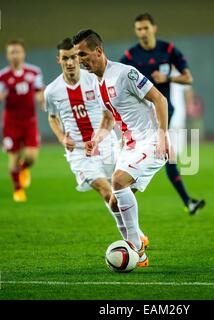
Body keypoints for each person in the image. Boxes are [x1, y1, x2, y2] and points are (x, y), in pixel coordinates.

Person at [73, 29, 171, 267]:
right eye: (77, 56)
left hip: (150, 140)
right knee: (114, 202)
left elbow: (160, 99)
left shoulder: (125, 73)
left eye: (83, 54)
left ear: (98, 51)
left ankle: (135, 247)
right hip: (129, 146)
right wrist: (96, 139)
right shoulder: (97, 83)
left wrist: (162, 135)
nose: (80, 60)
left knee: (117, 181)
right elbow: (108, 118)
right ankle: (139, 252)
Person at [45, 37, 149, 246]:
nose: (71, 62)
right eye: (65, 58)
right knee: (105, 189)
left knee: (119, 188)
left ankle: (133, 237)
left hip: (107, 143)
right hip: (79, 152)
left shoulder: (93, 78)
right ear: (59, 60)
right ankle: (134, 237)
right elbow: (52, 117)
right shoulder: (51, 91)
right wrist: (62, 137)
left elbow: (107, 113)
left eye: (74, 56)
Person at [120, 13, 205, 215]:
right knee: (166, 156)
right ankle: (123, 199)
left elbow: (188, 78)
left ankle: (186, 201)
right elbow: (118, 81)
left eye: (146, 28)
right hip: (141, 117)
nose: (143, 32)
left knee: (168, 155)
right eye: (139, 29)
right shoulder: (130, 56)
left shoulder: (168, 50)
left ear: (154, 28)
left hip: (164, 111)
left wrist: (167, 78)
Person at [0, 39, 45, 202]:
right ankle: (18, 190)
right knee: (13, 156)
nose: (15, 55)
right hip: (11, 123)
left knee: (31, 157)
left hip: (30, 121)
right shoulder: (2, 76)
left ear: (23, 53)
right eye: (12, 52)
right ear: (7, 55)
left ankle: (24, 168)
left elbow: (40, 90)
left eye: (17, 51)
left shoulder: (34, 72)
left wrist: (41, 99)